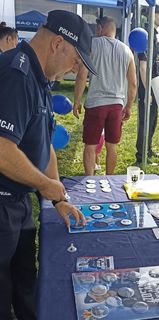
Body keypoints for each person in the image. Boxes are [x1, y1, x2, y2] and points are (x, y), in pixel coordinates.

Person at [0, 10, 95, 319]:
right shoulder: (17, 75)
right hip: (3, 204)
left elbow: (45, 146)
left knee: (26, 283)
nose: (74, 69)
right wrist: (44, 184)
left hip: (19, 203)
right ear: (57, 43)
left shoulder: (39, 78)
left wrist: (59, 197)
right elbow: (2, 149)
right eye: (76, 60)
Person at [74, 16, 136, 175]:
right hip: (116, 105)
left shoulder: (92, 44)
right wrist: (128, 106)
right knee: (112, 146)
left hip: (96, 103)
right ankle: (110, 179)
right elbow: (133, 83)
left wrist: (77, 101)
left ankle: (89, 181)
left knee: (90, 145)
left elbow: (82, 75)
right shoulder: (127, 50)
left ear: (100, 28)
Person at [135, 3, 159, 166]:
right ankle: (141, 154)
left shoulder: (153, 35)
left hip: (155, 85)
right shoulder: (146, 35)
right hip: (147, 86)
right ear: (153, 15)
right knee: (145, 120)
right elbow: (143, 66)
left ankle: (148, 149)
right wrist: (147, 91)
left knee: (153, 118)